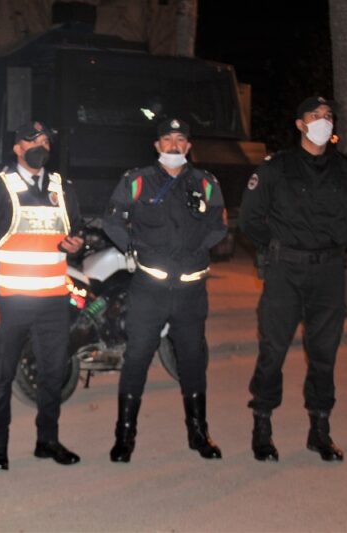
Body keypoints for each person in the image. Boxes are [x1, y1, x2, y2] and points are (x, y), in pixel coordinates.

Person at [239, 96, 347, 462]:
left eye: (328, 116)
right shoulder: (276, 168)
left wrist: (336, 244)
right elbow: (250, 218)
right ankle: (262, 427)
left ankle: (320, 430)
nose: (323, 121)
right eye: (315, 115)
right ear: (300, 124)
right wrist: (276, 248)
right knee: (273, 351)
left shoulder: (346, 170)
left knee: (324, 354)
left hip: (328, 273)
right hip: (285, 272)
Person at [103, 118, 226, 462]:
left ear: (189, 146)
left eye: (180, 139)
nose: (174, 145)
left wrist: (195, 250)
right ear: (157, 145)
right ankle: (124, 436)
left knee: (193, 361)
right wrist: (135, 247)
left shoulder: (206, 183)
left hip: (190, 291)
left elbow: (219, 225)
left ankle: (199, 434)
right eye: (168, 139)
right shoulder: (137, 181)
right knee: (137, 359)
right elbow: (112, 220)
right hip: (150, 290)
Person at [0, 121, 84, 470]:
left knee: (53, 374)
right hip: (10, 300)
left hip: (53, 299)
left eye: (46, 141)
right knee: (0, 375)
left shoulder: (62, 187)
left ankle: (47, 442)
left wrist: (76, 243)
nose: (41, 146)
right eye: (32, 141)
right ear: (17, 148)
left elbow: (76, 228)